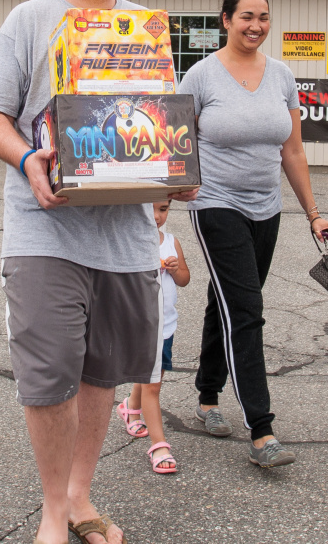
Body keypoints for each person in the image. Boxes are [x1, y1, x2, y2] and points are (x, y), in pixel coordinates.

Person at [0, 0, 195, 544]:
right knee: (49, 373)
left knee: (103, 371)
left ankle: (80, 496)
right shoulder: (31, 20)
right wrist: (27, 162)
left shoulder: (145, 29)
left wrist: (175, 167)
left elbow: (155, 124)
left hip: (126, 237)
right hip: (45, 227)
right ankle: (49, 509)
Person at [178, 0, 328, 468]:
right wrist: (169, 196)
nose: (256, 25)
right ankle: (261, 430)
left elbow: (291, 150)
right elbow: (177, 142)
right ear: (225, 20)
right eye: (246, 16)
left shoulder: (282, 76)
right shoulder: (201, 76)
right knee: (247, 309)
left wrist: (314, 215)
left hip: (265, 207)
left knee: (227, 302)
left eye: (264, 17)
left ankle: (207, 396)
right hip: (215, 203)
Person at [116, 199, 190, 474]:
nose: (157, 216)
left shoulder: (171, 242)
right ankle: (160, 446)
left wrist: (174, 269)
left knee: (150, 375)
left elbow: (184, 279)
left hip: (166, 325)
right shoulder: (128, 240)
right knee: (153, 385)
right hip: (140, 324)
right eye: (150, 208)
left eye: (164, 209)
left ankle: (130, 407)